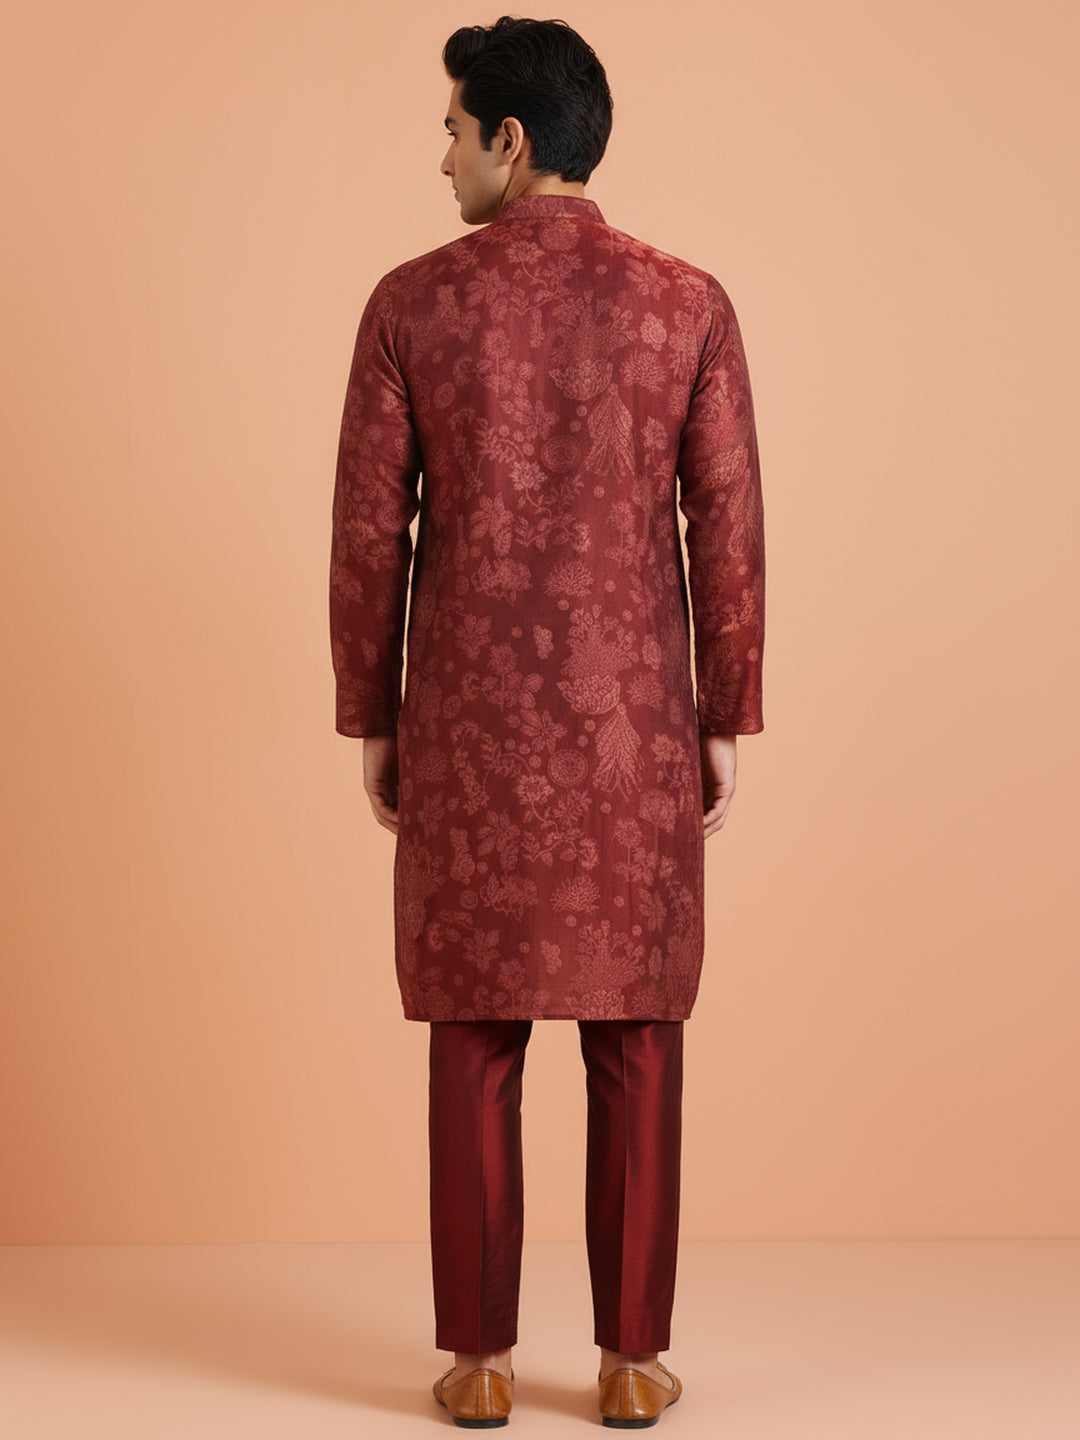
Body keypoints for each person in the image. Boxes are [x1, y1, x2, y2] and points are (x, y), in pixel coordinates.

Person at [329, 15, 765, 1428]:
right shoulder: (687, 303)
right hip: (634, 726)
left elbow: (369, 535)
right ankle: (633, 1359)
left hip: (467, 724)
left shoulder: (411, 305)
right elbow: (726, 527)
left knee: (474, 1033)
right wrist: (723, 714)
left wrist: (373, 714)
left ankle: (477, 1360)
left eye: (454, 131)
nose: (442, 157)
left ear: (511, 142)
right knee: (636, 1033)